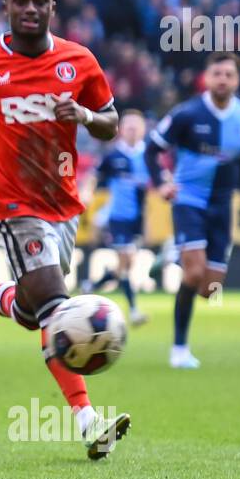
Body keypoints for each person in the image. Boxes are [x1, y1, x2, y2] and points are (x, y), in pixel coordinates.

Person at [0, 0, 131, 460]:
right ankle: (89, 423)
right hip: (14, 205)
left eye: (38, 1)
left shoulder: (78, 61)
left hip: (64, 206)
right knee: (54, 308)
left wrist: (85, 115)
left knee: (30, 312)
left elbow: (111, 122)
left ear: (52, 8)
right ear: (6, 7)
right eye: (19, 0)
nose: (29, 9)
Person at [146, 51, 240, 369]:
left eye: (228, 75)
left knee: (209, 289)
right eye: (217, 74)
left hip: (222, 206)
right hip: (189, 200)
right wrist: (162, 182)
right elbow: (153, 149)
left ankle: (172, 253)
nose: (222, 80)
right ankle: (179, 349)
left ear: (237, 80)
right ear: (206, 79)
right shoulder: (186, 114)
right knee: (193, 273)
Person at [82, 110, 151, 325]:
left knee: (124, 267)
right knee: (126, 259)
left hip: (138, 219)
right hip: (118, 217)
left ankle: (92, 286)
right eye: (128, 125)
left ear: (143, 129)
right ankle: (133, 310)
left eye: (136, 125)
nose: (132, 129)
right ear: (121, 129)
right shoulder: (113, 155)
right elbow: (94, 175)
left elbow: (157, 182)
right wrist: (86, 192)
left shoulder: (148, 155)